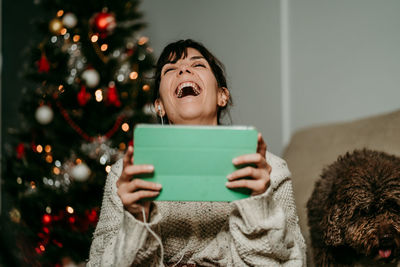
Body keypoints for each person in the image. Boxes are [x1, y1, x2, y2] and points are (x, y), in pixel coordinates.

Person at [87, 39, 306, 266]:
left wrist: (257, 204)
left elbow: (292, 262)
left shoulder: (269, 170)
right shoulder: (127, 175)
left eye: (198, 65)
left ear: (223, 95)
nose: (183, 69)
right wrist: (136, 218)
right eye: (170, 70)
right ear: (159, 105)